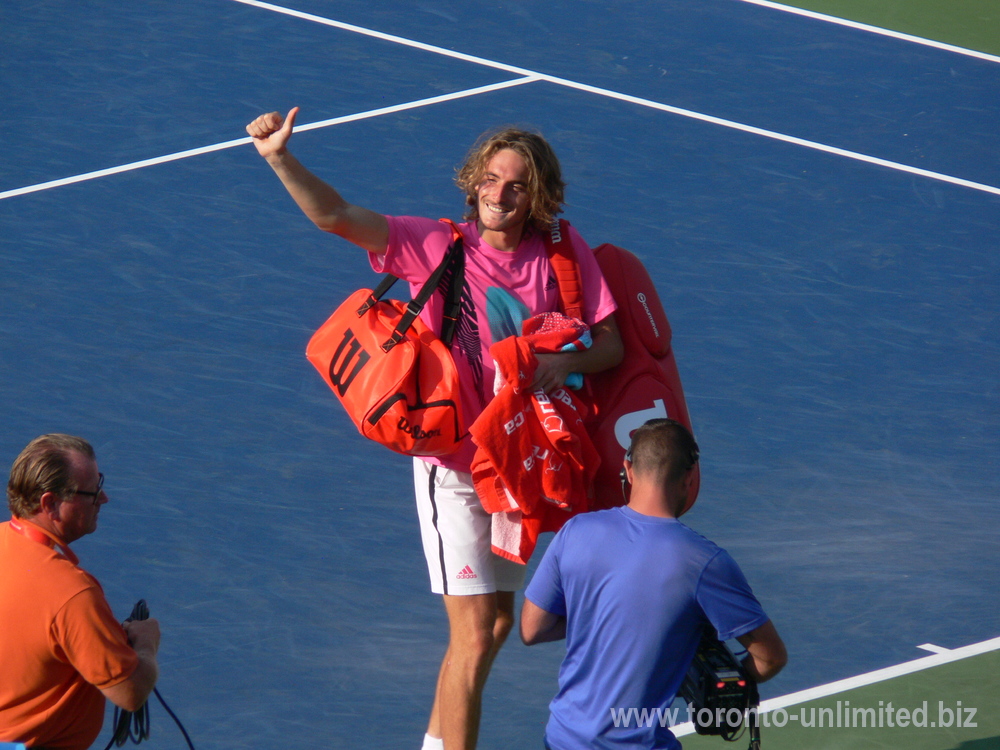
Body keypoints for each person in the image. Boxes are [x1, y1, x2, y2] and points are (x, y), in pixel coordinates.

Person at [247, 108, 624, 750]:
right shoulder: (434, 244)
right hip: (453, 471)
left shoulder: (563, 255)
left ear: (540, 196)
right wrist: (280, 158)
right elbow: (333, 215)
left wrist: (565, 363)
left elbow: (610, 344)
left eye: (517, 185)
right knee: (474, 635)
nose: (499, 194)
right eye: (491, 178)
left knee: (498, 624)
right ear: (474, 179)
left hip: (516, 470)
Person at [521, 419, 787, 750]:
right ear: (689, 478)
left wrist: (604, 614)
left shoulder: (574, 531)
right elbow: (770, 658)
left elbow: (532, 629)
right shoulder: (705, 562)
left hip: (562, 741)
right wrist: (719, 683)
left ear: (628, 470)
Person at [0, 434, 161, 750]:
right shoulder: (71, 595)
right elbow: (130, 691)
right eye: (92, 492)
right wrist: (145, 644)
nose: (103, 499)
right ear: (50, 503)